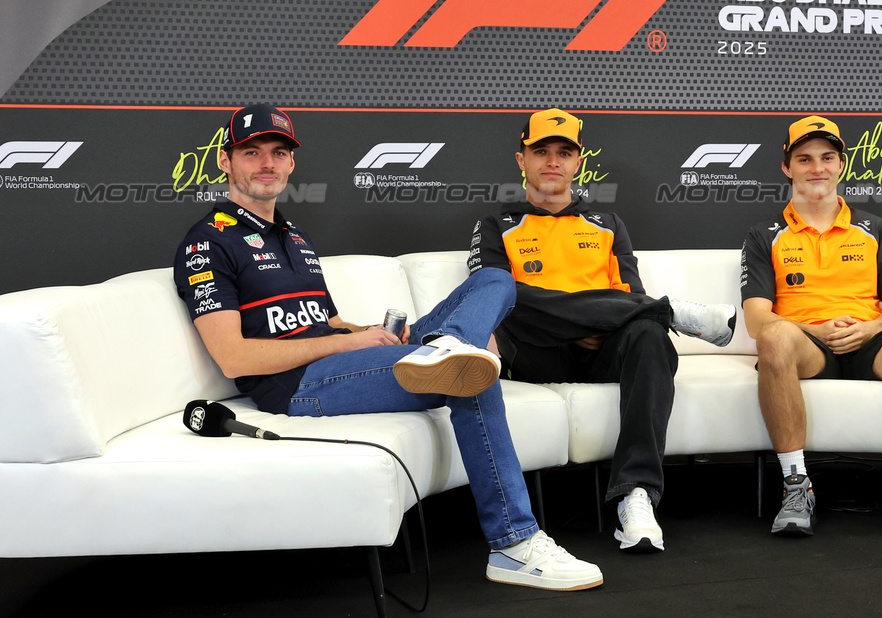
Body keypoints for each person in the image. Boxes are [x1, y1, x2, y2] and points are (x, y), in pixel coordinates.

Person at [173, 104, 603, 590]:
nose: (266, 163)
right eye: (251, 153)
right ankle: (514, 544)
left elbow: (326, 322)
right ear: (226, 162)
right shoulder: (208, 242)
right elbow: (235, 357)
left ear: (292, 164)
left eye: (278, 152)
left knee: (495, 279)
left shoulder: (294, 236)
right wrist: (352, 343)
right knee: (471, 373)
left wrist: (374, 335)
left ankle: (447, 345)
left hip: (344, 358)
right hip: (299, 388)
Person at [468, 108, 736, 553]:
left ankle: (636, 496)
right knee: (507, 290)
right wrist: (590, 318)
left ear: (577, 163)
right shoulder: (496, 226)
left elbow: (632, 298)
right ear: (522, 160)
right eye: (541, 151)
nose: (552, 161)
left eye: (564, 152)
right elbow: (492, 302)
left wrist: (602, 322)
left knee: (649, 334)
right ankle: (675, 313)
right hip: (534, 350)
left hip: (601, 351)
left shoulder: (607, 225)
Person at [741, 115, 882, 540]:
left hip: (870, 342)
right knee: (772, 337)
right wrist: (817, 329)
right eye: (804, 159)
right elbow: (757, 319)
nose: (817, 168)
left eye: (827, 157)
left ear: (841, 165)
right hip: (806, 346)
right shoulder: (764, 233)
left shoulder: (873, 228)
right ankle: (795, 487)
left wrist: (868, 329)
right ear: (787, 168)